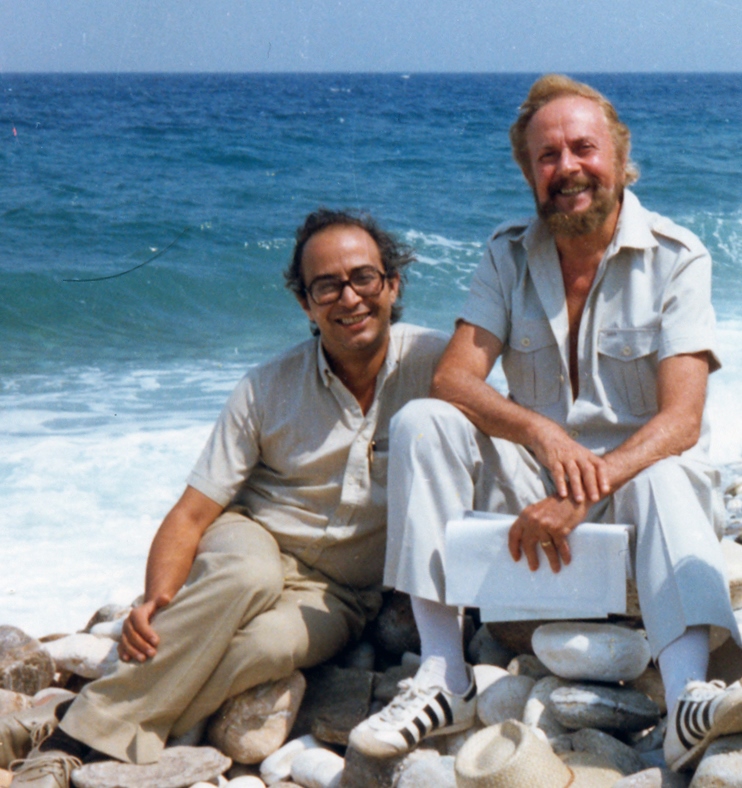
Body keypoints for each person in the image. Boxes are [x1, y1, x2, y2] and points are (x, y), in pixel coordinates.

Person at [349, 75, 742, 772]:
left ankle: (687, 697)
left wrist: (585, 489)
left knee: (664, 472)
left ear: (619, 156)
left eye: (583, 148)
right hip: (536, 493)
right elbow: (455, 378)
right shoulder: (507, 254)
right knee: (424, 420)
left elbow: (682, 420)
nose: (567, 168)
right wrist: (543, 433)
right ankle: (443, 675)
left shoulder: (678, 257)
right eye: (548, 156)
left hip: (643, 494)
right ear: (529, 171)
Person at [4, 208, 447, 786]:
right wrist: (154, 601)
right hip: (254, 538)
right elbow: (192, 514)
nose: (349, 297)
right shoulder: (267, 387)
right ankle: (67, 748)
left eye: (363, 277)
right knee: (246, 576)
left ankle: (67, 719)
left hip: (341, 591)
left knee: (268, 646)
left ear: (392, 284)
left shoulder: (438, 367)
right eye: (326, 286)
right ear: (305, 304)